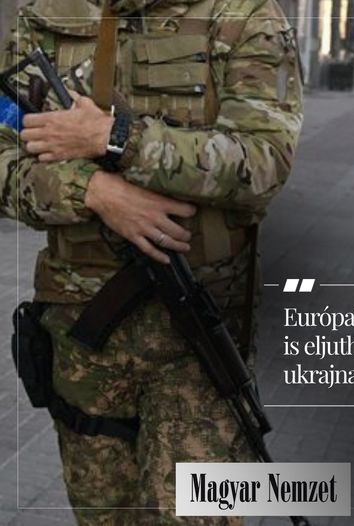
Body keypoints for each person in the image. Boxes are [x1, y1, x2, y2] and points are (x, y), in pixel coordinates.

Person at [0, 0, 303, 524]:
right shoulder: (47, 14)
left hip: (201, 339)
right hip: (82, 337)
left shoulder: (244, 13)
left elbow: (265, 162)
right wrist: (93, 191)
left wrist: (118, 139)